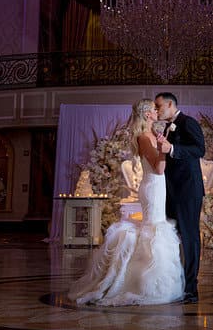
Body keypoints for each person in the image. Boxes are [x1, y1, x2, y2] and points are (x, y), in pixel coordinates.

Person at [68, 99, 184, 306]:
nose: (158, 112)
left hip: (158, 187)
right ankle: (139, 281)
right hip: (153, 187)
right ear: (148, 114)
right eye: (154, 109)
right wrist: (164, 150)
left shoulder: (150, 135)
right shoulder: (143, 137)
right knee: (153, 228)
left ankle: (139, 275)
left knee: (154, 227)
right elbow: (159, 168)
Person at [153, 92, 205, 304]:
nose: (157, 111)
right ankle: (177, 283)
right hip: (171, 190)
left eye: (159, 107)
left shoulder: (188, 122)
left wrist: (172, 148)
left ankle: (191, 289)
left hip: (188, 190)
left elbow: (200, 149)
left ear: (170, 104)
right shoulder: (167, 126)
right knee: (173, 237)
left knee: (190, 237)